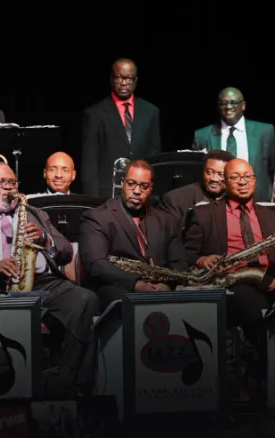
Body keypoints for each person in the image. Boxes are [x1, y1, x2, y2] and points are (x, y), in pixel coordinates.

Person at [0, 162, 99, 396]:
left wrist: (45, 239)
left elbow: (65, 251)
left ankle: (70, 384)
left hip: (39, 284)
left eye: (12, 183)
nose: (8, 189)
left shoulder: (36, 213)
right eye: (0, 183)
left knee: (85, 299)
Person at [183, 158, 275, 388]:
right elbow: (185, 254)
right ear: (225, 183)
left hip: (272, 279)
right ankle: (271, 374)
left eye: (247, 177)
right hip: (233, 282)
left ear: (255, 180)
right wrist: (202, 259)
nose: (243, 182)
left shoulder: (273, 216)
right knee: (253, 310)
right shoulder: (205, 214)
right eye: (235, 178)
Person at [78, 160, 188, 308]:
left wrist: (167, 285)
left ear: (151, 189)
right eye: (131, 183)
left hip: (163, 289)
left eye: (144, 186)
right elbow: (97, 264)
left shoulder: (167, 220)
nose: (137, 191)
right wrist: (136, 284)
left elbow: (180, 263)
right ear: (122, 183)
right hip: (118, 288)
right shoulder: (97, 217)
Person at [81, 58, 162, 198]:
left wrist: (154, 195)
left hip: (141, 193)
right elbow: (90, 164)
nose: (124, 83)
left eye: (128, 78)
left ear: (135, 81)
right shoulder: (95, 114)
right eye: (119, 78)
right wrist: (93, 201)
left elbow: (155, 157)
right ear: (111, 79)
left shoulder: (150, 112)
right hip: (107, 195)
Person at [191, 87, 275, 202]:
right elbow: (197, 175)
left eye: (233, 102)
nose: (228, 107)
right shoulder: (202, 136)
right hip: (215, 206)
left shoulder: (265, 132)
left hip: (258, 203)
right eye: (223, 103)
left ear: (243, 105)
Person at [159, 150, 235, 224]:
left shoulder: (236, 199)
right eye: (209, 172)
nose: (214, 179)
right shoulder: (175, 200)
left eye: (221, 174)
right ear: (203, 171)